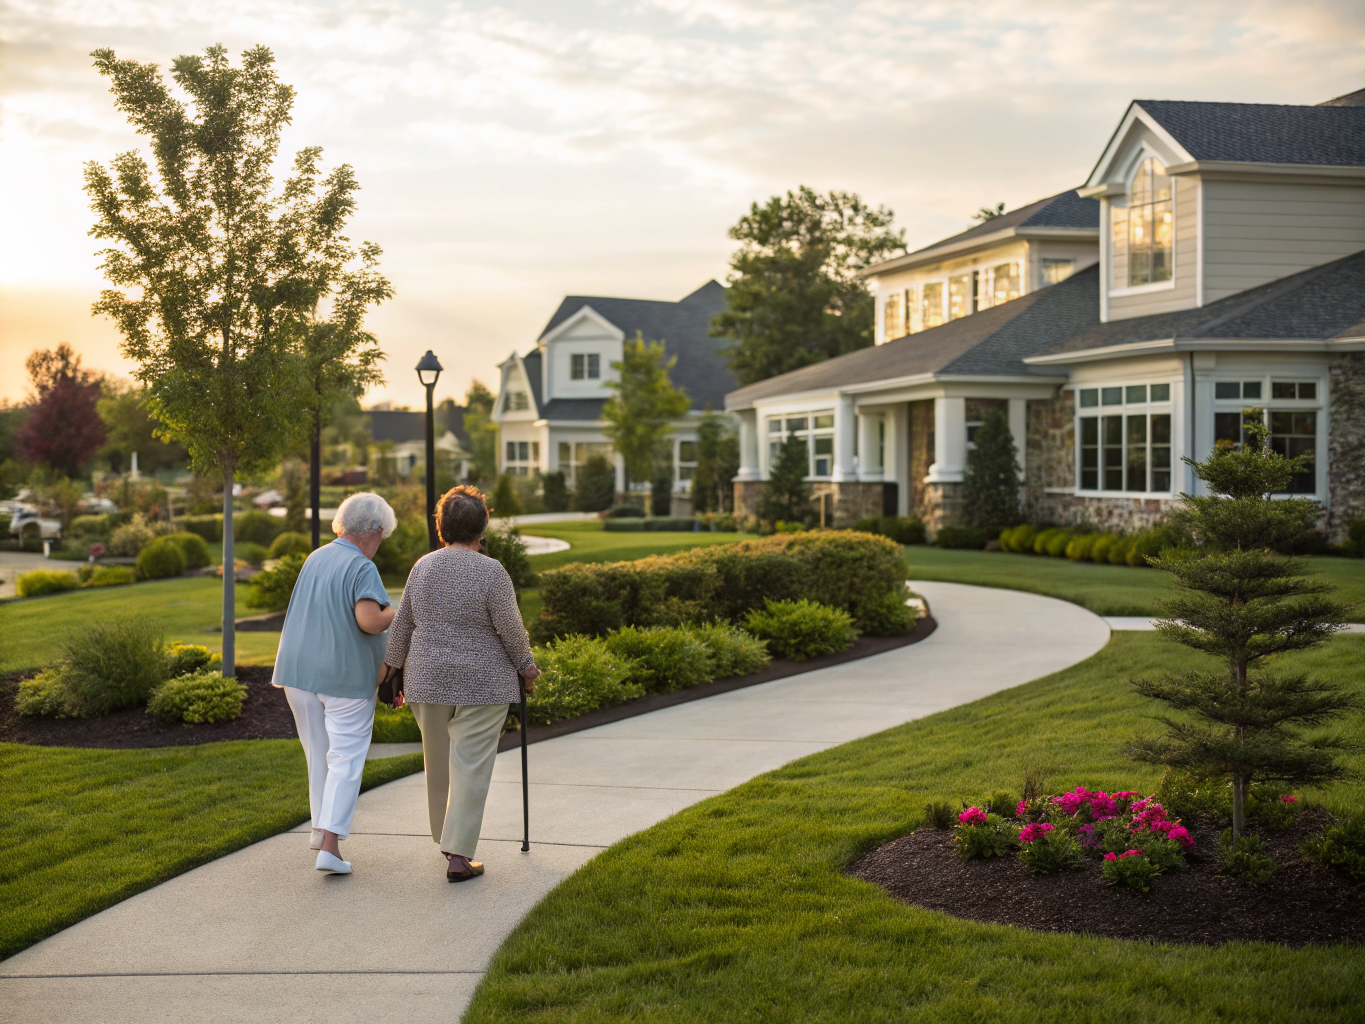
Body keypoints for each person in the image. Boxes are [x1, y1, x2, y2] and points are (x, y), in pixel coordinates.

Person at [383, 486, 539, 882]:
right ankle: (458, 853)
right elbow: (511, 630)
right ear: (482, 527)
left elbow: (402, 625)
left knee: (438, 764)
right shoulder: (492, 571)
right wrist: (527, 668)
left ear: (441, 528)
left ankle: (447, 841)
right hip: (483, 684)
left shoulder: (423, 567)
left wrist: (389, 670)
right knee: (470, 766)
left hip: (427, 680)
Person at [273, 492, 397, 875]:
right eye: (382, 536)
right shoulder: (362, 567)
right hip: (343, 678)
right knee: (345, 759)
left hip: (297, 674)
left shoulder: (316, 557)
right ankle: (330, 847)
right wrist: (400, 607)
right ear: (374, 531)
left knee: (319, 757)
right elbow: (369, 620)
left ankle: (319, 831)